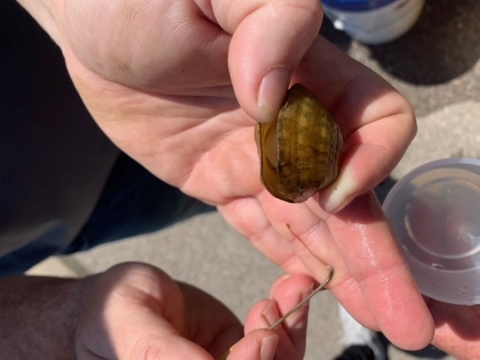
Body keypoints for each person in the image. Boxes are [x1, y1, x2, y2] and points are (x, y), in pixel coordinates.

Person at [1, 0, 477, 358]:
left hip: (156, 115)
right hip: (52, 231)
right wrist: (64, 321)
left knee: (242, 197)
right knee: (241, 200)